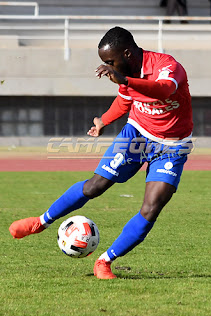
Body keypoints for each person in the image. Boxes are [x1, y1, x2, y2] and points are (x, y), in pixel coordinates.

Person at [9, 26, 193, 279]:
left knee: (152, 208)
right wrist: (103, 121)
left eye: (110, 61)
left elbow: (163, 90)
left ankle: (104, 261)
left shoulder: (167, 66)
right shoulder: (126, 74)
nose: (109, 67)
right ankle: (41, 222)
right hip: (137, 134)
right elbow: (125, 100)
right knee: (95, 186)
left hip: (173, 145)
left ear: (127, 54)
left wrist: (124, 80)